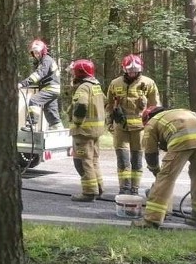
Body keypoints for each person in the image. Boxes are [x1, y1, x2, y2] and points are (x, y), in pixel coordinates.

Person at [131, 106, 196, 229]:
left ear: (147, 119)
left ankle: (151, 220)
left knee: (165, 179)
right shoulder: (178, 113)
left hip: (182, 138)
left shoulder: (151, 124)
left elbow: (150, 153)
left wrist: (156, 171)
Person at [105, 54, 160, 195]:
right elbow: (109, 105)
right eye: (129, 70)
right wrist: (109, 122)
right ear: (124, 69)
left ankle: (134, 188)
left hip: (140, 129)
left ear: (140, 69)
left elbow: (155, 107)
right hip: (120, 127)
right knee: (122, 160)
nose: (132, 73)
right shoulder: (115, 83)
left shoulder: (148, 83)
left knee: (137, 160)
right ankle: (124, 188)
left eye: (135, 70)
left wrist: (152, 127)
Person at [67, 59, 106, 201]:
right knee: (93, 160)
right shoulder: (96, 86)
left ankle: (89, 192)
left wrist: (77, 122)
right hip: (95, 131)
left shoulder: (83, 88)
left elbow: (82, 105)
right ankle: (99, 188)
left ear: (79, 73)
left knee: (84, 161)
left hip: (83, 132)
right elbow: (105, 102)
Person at [18, 39, 63, 130]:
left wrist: (23, 84)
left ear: (43, 51)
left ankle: (31, 125)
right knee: (50, 109)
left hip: (50, 88)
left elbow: (39, 74)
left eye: (37, 52)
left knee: (35, 100)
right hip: (53, 89)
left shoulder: (46, 60)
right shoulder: (45, 60)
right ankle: (58, 128)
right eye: (34, 53)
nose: (36, 54)